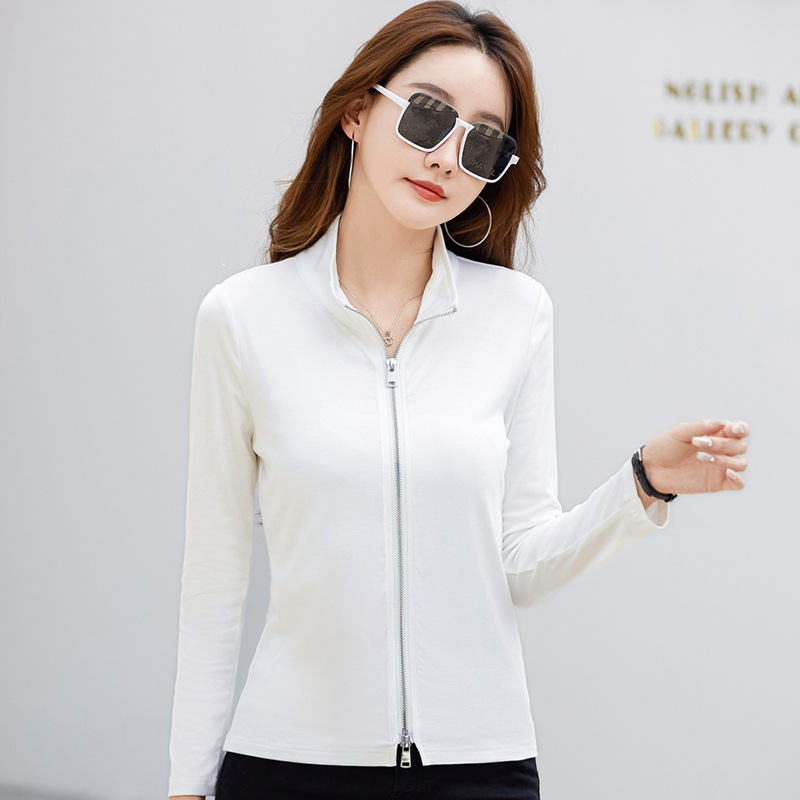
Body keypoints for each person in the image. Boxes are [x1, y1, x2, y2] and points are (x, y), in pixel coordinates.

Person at [167, 3, 749, 798]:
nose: (445, 157)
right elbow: (213, 583)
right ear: (356, 113)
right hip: (290, 765)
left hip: (480, 766)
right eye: (428, 116)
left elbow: (519, 564)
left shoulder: (516, 316)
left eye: (481, 142)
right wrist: (185, 786)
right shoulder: (243, 317)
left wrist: (641, 484)